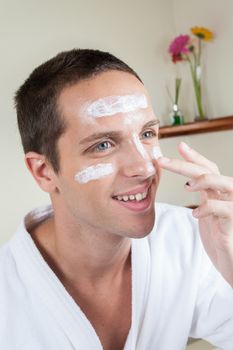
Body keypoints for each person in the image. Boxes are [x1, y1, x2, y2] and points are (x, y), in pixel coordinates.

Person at [0, 49, 232, 350]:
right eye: (103, 145)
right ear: (44, 171)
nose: (146, 167)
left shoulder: (193, 239)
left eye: (147, 134)